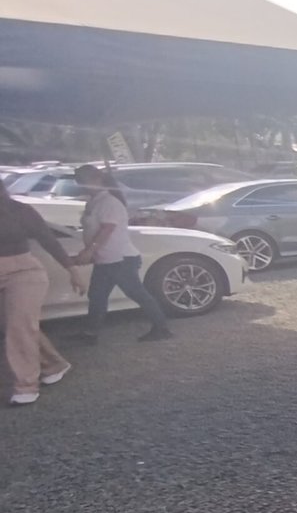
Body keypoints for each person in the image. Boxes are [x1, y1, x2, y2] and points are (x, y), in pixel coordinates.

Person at [0, 180, 84, 405]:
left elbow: (48, 239)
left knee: (19, 326)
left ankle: (26, 385)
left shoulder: (19, 210)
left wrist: (73, 270)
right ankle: (54, 364)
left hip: (24, 272)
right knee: (16, 325)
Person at [72, 165, 173, 342]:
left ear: (98, 180)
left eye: (84, 181)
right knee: (97, 296)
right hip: (106, 259)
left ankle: (161, 327)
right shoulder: (95, 201)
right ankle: (90, 333)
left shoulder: (109, 202)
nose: (81, 185)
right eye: (79, 181)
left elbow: (107, 229)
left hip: (120, 258)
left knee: (136, 293)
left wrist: (90, 250)